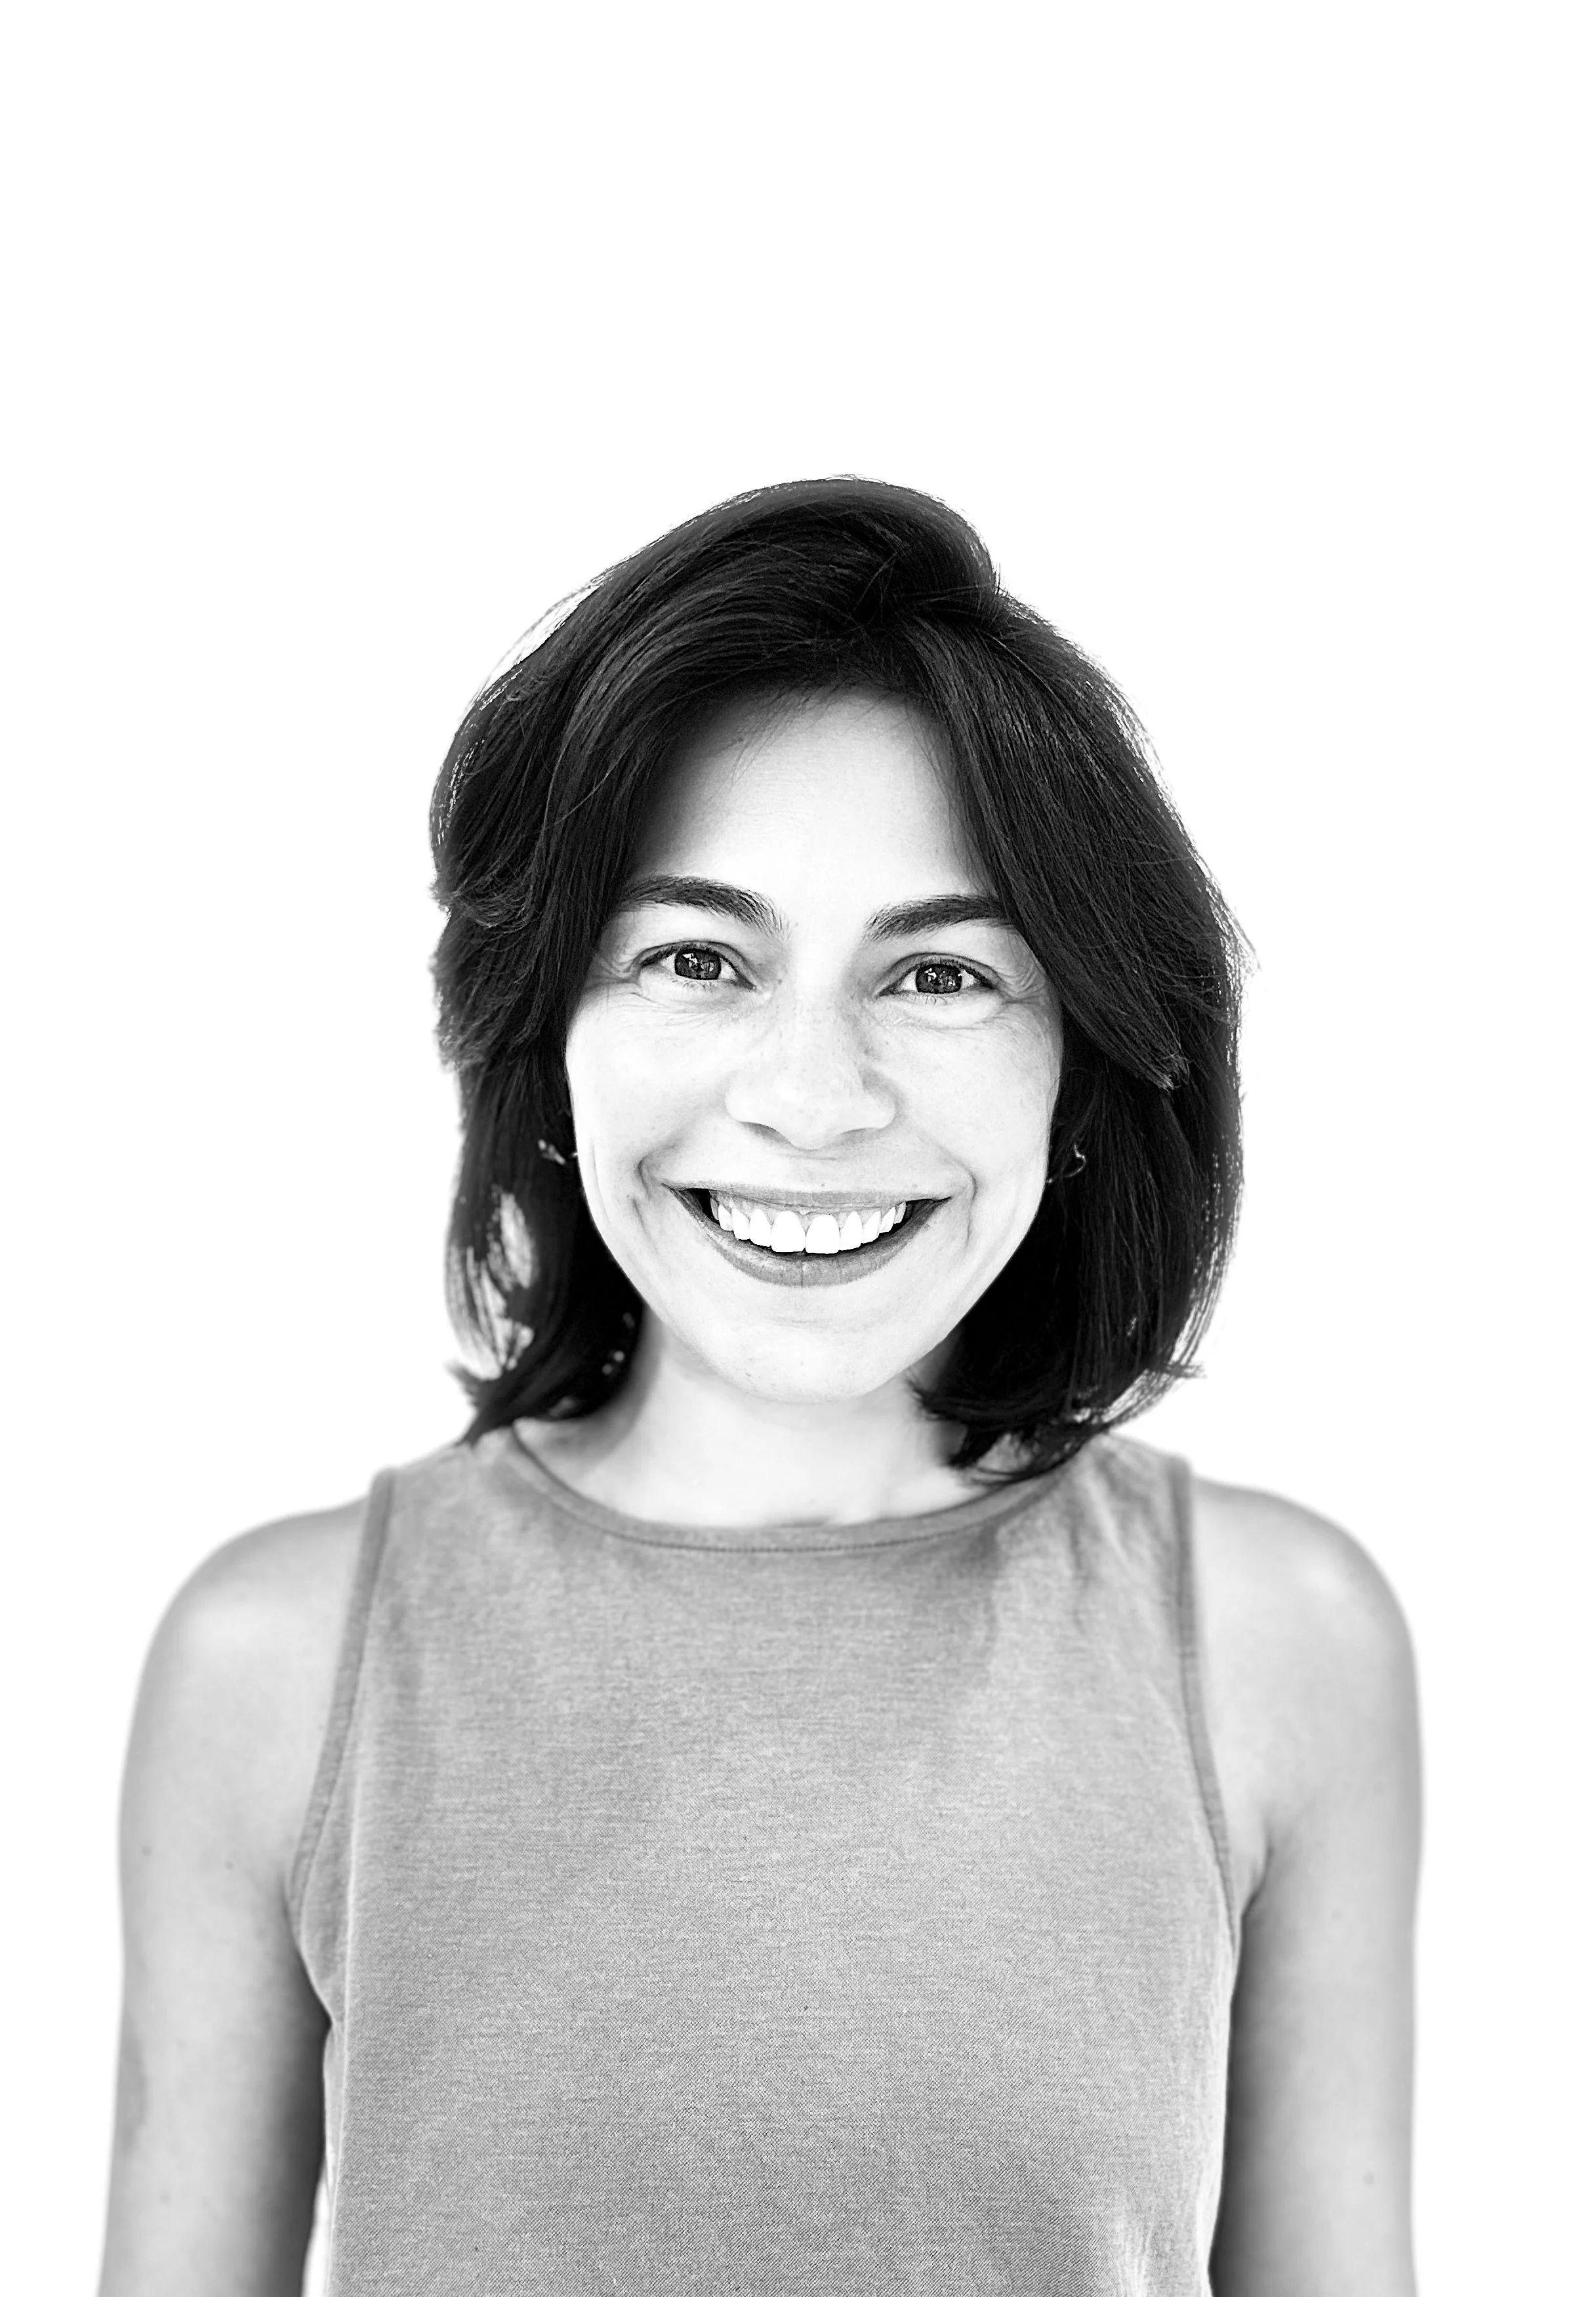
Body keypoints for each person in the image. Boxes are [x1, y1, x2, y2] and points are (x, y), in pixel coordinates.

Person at [97, 479, 1423, 2296]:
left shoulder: (1281, 1644)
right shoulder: (273, 1661)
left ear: (1083, 1056)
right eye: (696, 958)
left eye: (941, 972)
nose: (812, 1097)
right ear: (549, 1031)